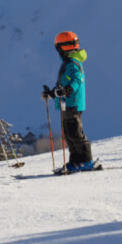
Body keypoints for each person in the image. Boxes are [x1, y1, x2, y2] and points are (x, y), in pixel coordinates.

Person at [41, 31, 95, 172]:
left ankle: (86, 161)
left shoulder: (73, 64)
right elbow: (63, 86)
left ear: (63, 47)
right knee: (69, 134)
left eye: (58, 47)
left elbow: (77, 80)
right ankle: (75, 162)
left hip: (73, 103)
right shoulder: (68, 63)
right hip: (67, 103)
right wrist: (52, 93)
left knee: (75, 133)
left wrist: (68, 90)